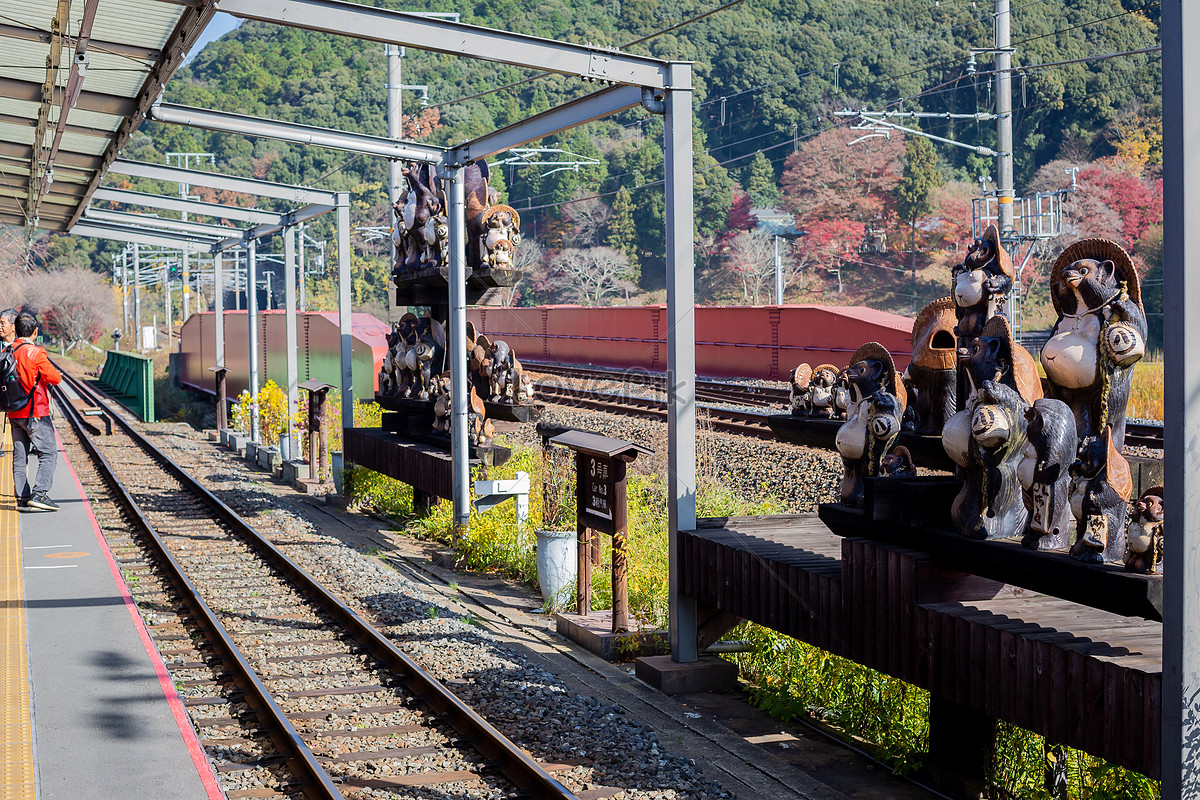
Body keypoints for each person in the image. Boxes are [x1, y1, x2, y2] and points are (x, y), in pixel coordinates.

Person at [9, 311, 61, 511]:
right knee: (48, 453)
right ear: (35, 332)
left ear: (17, 330)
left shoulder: (8, 351)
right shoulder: (36, 352)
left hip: (14, 413)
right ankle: (40, 494)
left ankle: (23, 498)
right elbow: (54, 378)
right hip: (35, 412)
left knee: (19, 457)